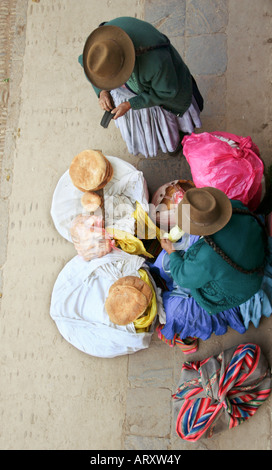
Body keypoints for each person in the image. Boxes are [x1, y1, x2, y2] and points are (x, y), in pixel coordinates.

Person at [150, 186, 270, 341]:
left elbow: (183, 277)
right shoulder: (234, 207)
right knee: (173, 259)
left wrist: (171, 251)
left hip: (238, 288)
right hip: (246, 258)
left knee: (173, 311)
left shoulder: (207, 255)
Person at [78, 16, 203, 158]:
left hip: (160, 92)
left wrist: (131, 104)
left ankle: (174, 141)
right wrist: (102, 91)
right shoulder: (99, 47)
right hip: (132, 92)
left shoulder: (155, 63)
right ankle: (159, 140)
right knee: (144, 125)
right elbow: (86, 65)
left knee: (168, 123)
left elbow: (166, 91)